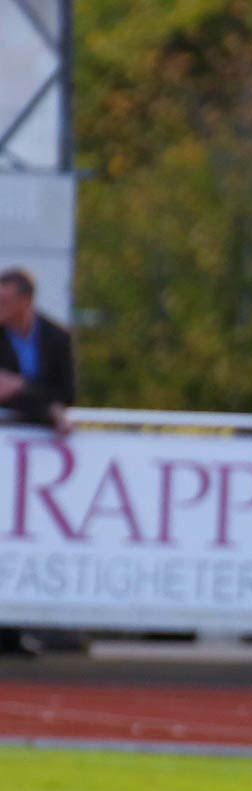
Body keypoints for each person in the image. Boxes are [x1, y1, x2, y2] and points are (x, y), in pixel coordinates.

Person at [0, 266, 76, 656]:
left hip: (41, 464)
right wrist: (50, 407)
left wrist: (23, 390)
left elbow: (67, 391)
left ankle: (16, 630)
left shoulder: (56, 337)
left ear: (26, 301)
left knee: (29, 539)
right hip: (11, 450)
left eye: (6, 300)